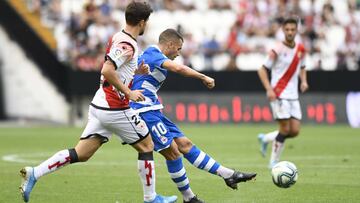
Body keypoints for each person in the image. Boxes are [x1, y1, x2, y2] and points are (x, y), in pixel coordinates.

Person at [19, 2, 177, 203]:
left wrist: (136, 71)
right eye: (147, 21)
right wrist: (129, 92)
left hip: (100, 103)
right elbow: (107, 70)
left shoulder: (119, 37)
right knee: (147, 145)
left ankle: (35, 173)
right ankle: (151, 198)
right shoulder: (127, 44)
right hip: (114, 107)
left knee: (81, 153)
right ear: (142, 22)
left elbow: (118, 68)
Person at [130, 29, 257, 203]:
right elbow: (179, 68)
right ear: (170, 44)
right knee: (173, 153)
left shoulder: (153, 54)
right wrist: (203, 77)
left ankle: (228, 174)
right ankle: (189, 198)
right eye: (179, 49)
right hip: (143, 111)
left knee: (185, 144)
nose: (179, 53)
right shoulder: (154, 54)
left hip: (153, 109)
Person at [257, 17, 309, 169]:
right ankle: (273, 162)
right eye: (287, 29)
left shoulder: (301, 49)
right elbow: (261, 69)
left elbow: (303, 66)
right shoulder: (277, 49)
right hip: (278, 93)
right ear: (283, 30)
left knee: (294, 131)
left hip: (293, 95)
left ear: (296, 30)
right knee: (285, 129)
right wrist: (269, 89)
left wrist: (304, 81)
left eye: (293, 29)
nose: (290, 32)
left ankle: (266, 138)